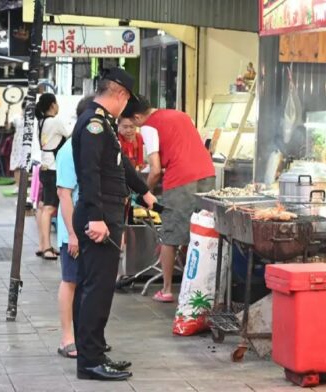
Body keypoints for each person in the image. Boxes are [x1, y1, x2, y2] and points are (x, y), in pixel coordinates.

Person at [72, 68, 156, 381]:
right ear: (119, 94)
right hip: (100, 215)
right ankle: (90, 361)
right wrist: (96, 217)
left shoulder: (103, 121)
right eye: (127, 101)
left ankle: (92, 351)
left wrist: (145, 192)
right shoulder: (95, 123)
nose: (127, 108)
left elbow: (120, 164)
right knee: (97, 288)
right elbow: (91, 172)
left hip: (104, 212)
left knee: (92, 286)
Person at [122, 95, 215, 302]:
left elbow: (155, 170)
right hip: (207, 174)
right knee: (201, 231)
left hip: (181, 179)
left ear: (137, 117)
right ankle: (202, 285)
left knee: (169, 235)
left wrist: (144, 192)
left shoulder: (148, 126)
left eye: (133, 123)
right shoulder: (180, 114)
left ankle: (166, 290)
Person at [55, 96, 99, 359]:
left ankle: (85, 336)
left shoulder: (87, 147)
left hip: (90, 230)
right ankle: (67, 338)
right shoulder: (69, 150)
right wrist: (72, 234)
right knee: (71, 282)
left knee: (85, 284)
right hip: (74, 232)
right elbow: (64, 194)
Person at [35, 93, 71, 260]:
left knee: (43, 206)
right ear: (52, 105)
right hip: (53, 168)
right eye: (56, 104)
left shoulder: (41, 121)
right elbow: (69, 132)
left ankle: (42, 245)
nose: (58, 107)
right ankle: (47, 247)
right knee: (50, 209)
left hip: (44, 166)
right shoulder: (55, 121)